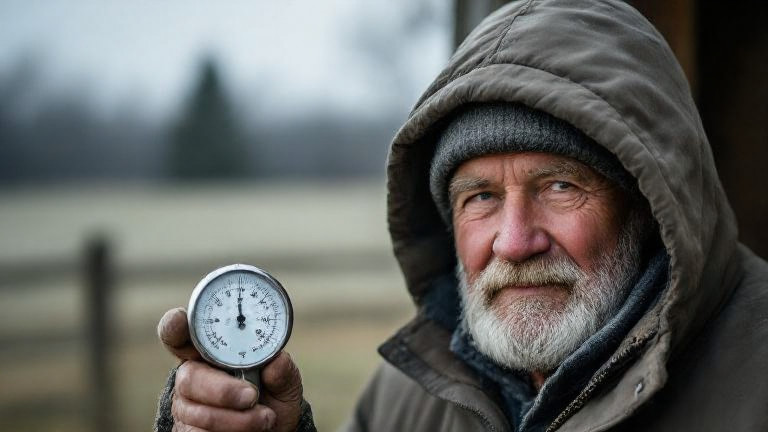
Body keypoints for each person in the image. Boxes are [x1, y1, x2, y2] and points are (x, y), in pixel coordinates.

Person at [154, 0, 768, 431]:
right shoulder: (412, 392)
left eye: (559, 186)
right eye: (481, 197)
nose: (514, 242)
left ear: (649, 203)